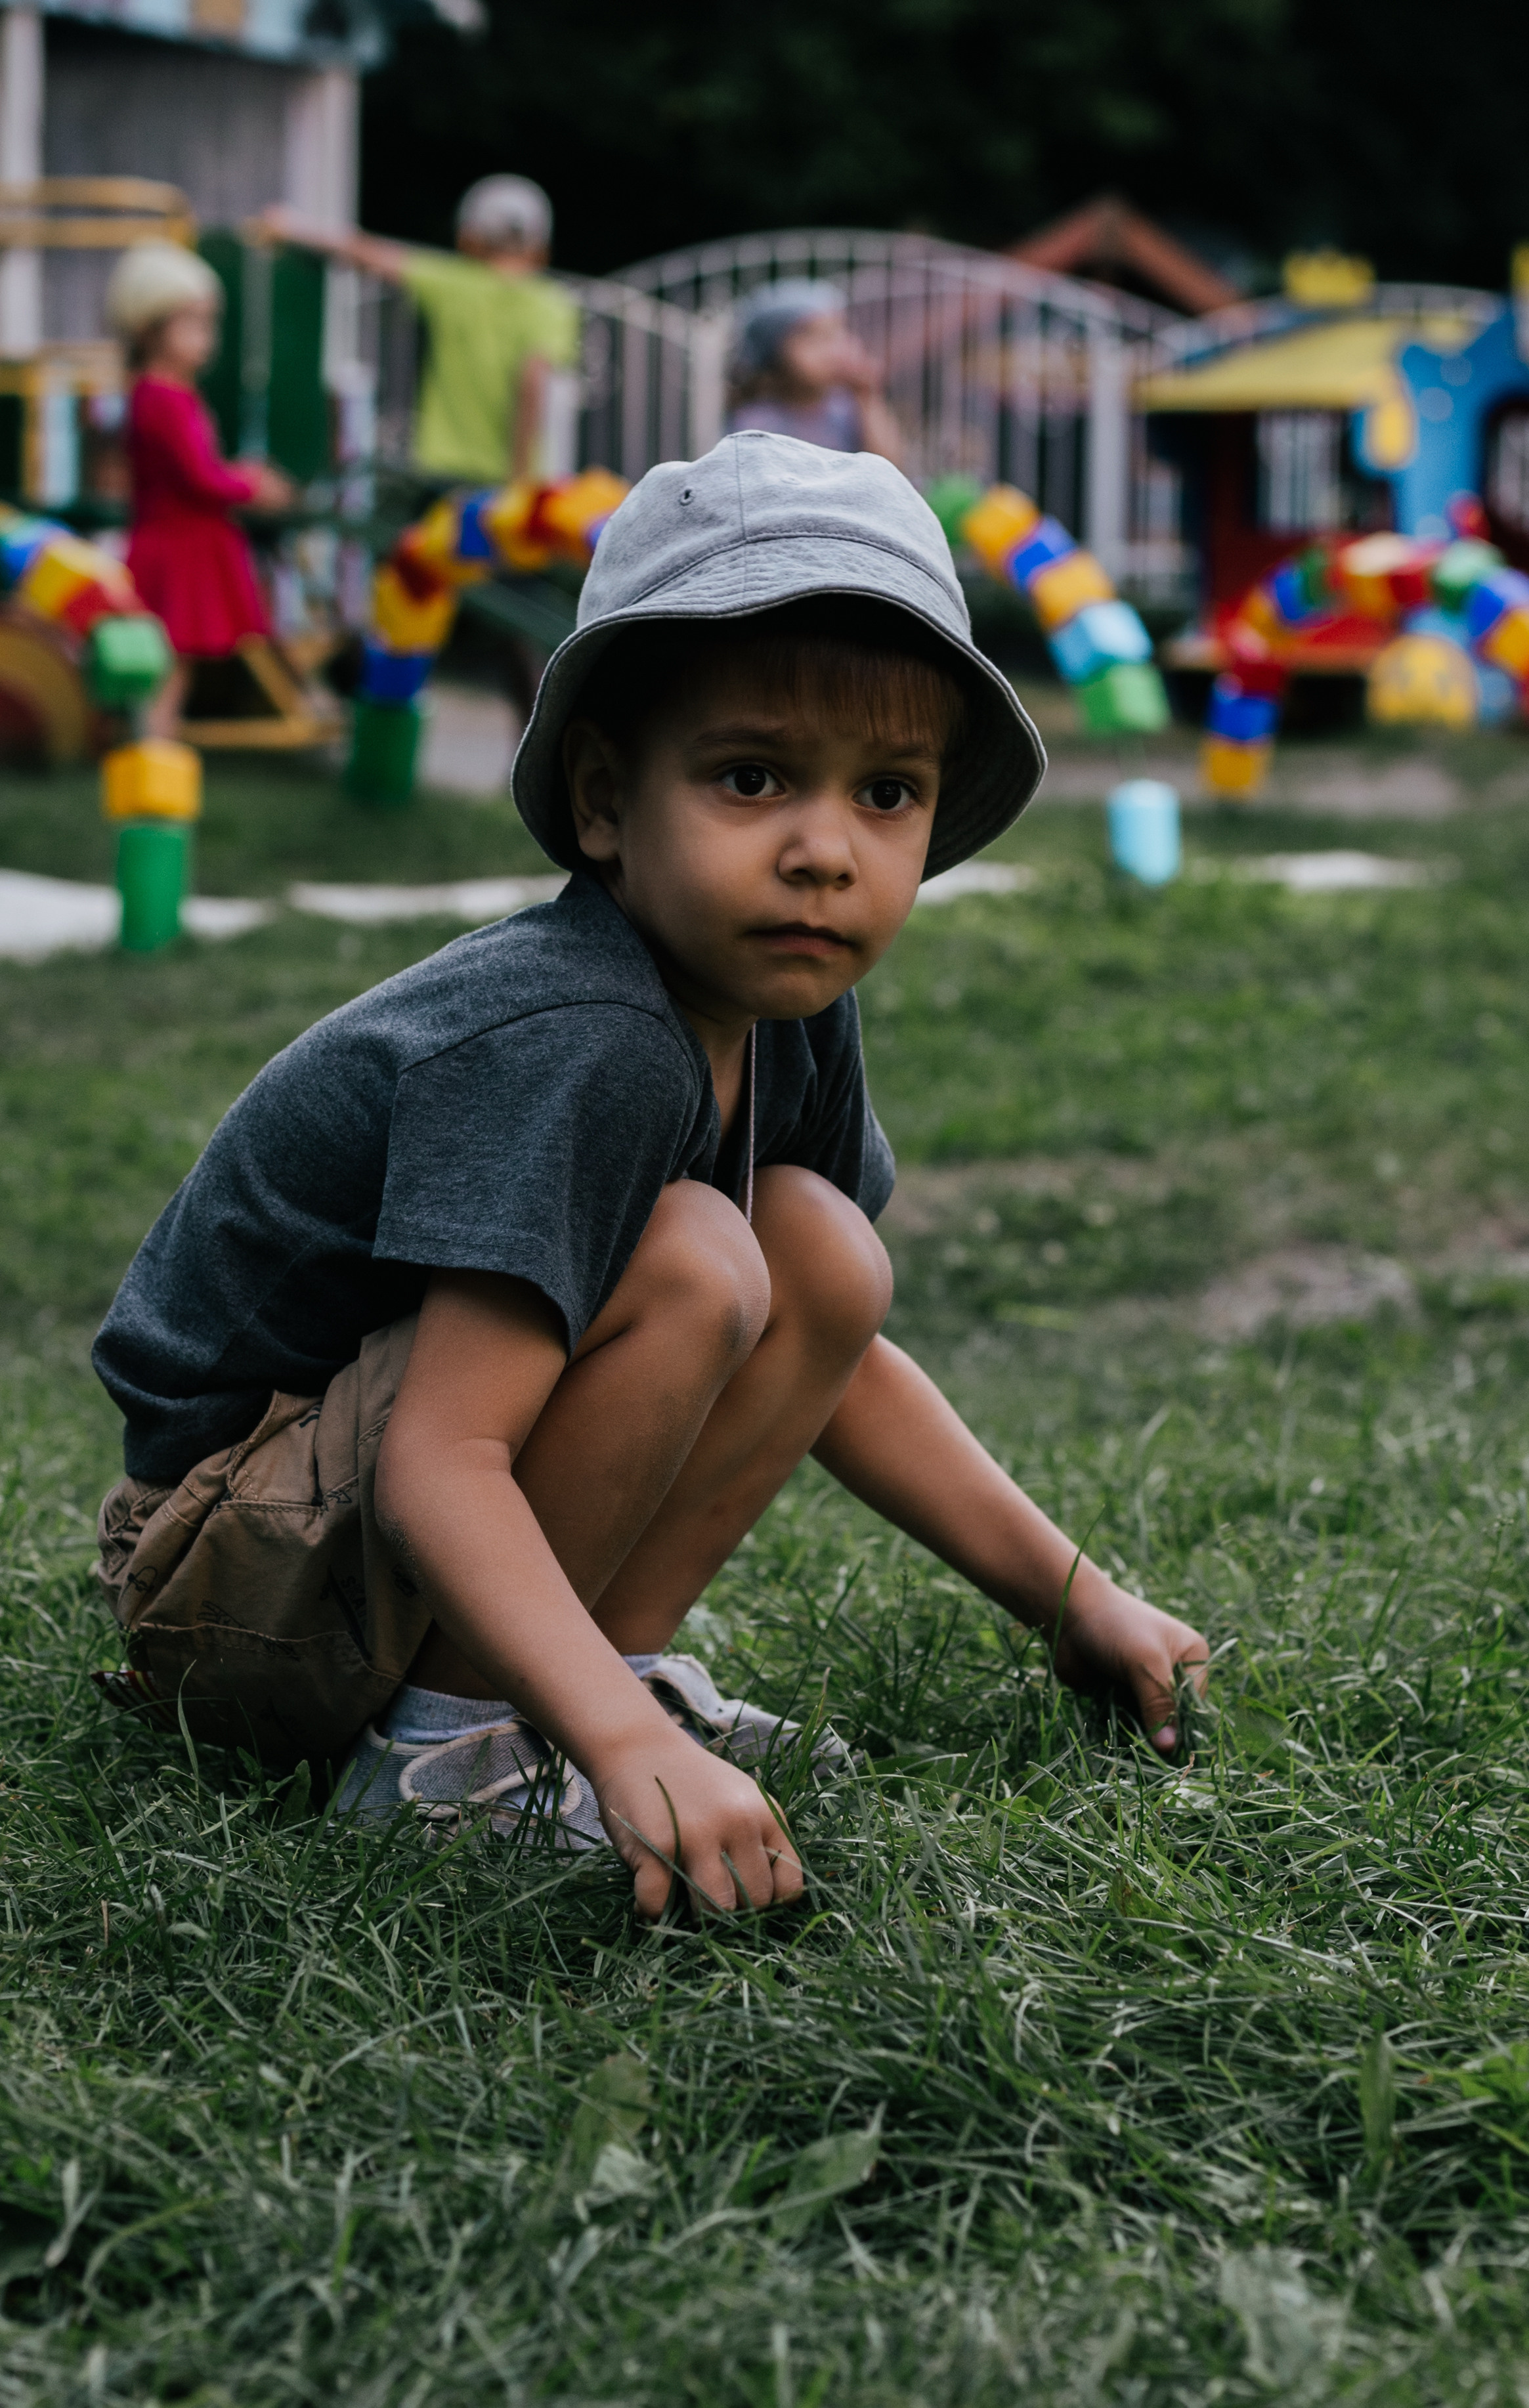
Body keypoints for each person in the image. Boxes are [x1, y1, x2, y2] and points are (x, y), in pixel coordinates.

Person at [91, 432, 1208, 1922]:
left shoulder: (785, 1003)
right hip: (218, 1568)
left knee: (815, 1247)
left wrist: (1071, 1597)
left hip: (345, 1540)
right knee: (699, 1254)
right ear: (608, 802)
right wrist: (627, 1754)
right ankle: (451, 1753)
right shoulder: (581, 1036)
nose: (825, 853)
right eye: (753, 778)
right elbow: (442, 1460)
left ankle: (584, 1677)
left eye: (887, 793)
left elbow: (840, 1353)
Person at [261, 176, 578, 486]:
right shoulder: (552, 302)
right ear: (541, 249)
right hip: (512, 479)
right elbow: (533, 381)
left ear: (467, 239)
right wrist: (520, 480)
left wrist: (292, 228)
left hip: (443, 469)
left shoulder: (453, 283)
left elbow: (367, 253)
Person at [104, 241, 294, 740]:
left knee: (173, 661)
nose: (206, 337)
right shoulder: (161, 397)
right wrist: (252, 483)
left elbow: (198, 470)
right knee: (169, 660)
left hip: (184, 541)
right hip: (177, 547)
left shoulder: (171, 392)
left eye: (209, 323)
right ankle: (152, 745)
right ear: (149, 328)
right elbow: (200, 478)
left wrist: (238, 475)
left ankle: (154, 741)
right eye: (192, 323)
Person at [727, 280, 902, 465]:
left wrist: (867, 397)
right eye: (815, 339)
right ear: (773, 353)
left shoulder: (846, 408)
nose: (833, 351)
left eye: (838, 334)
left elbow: (889, 467)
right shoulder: (757, 422)